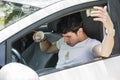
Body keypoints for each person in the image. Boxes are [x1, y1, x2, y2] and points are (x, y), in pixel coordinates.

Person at [33, 6, 114, 69]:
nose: (65, 40)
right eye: (63, 36)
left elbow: (105, 52)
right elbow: (47, 49)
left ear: (80, 31)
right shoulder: (63, 41)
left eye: (68, 36)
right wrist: (43, 39)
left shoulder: (91, 45)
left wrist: (110, 30)